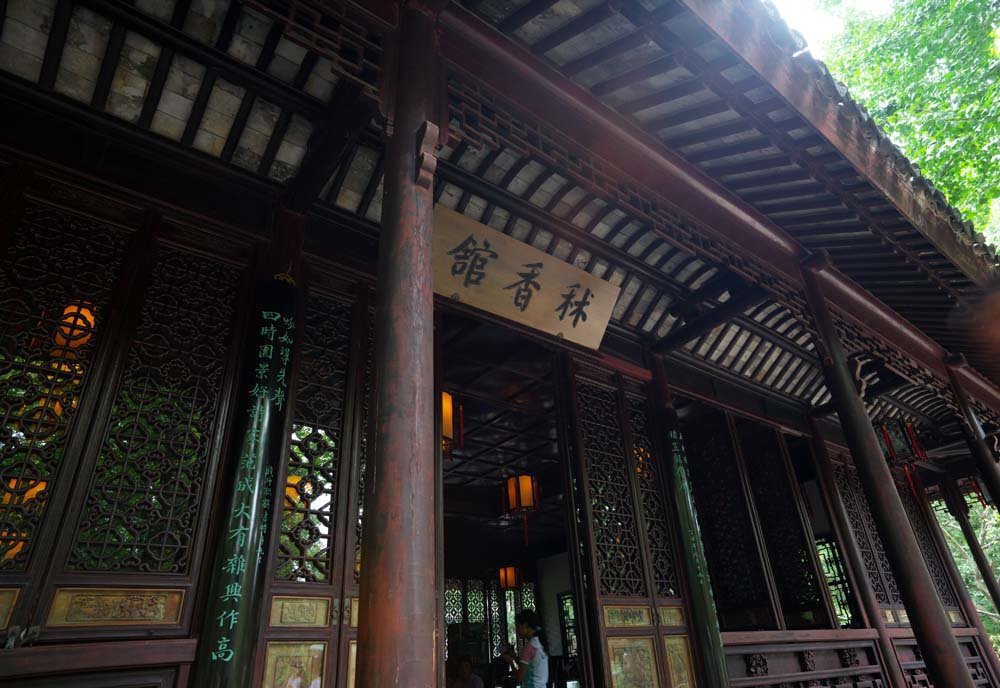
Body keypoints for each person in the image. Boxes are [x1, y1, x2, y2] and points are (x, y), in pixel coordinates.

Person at [501, 609, 548, 688]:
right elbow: (529, 668)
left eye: (518, 626)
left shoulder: (529, 647)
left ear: (525, 625)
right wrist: (515, 657)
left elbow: (520, 678)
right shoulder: (540, 643)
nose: (517, 630)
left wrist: (511, 662)